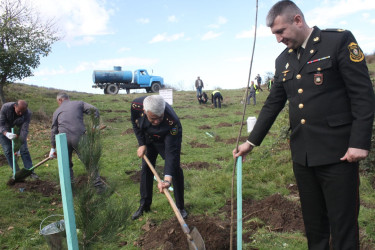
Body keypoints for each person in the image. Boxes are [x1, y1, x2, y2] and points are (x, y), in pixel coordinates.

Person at [233, 1, 374, 249]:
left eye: (280, 32)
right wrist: (250, 142)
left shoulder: (338, 42)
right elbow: (272, 104)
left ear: (297, 20)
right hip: (303, 158)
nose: (278, 39)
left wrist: (359, 143)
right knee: (314, 228)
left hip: (339, 155)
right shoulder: (282, 61)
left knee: (343, 228)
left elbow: (362, 94)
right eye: (274, 34)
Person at [130, 95, 187, 220]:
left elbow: (171, 153)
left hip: (166, 138)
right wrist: (142, 144)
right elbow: (135, 124)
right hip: (148, 138)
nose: (156, 121)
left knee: (175, 168)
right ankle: (144, 205)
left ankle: (180, 207)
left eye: (160, 118)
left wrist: (166, 180)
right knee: (146, 168)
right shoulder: (136, 106)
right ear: (145, 112)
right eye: (153, 118)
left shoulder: (173, 121)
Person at [50, 92, 104, 189]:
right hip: (79, 137)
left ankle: (70, 187)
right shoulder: (78, 103)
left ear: (60, 100)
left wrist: (53, 148)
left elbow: (54, 130)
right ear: (67, 98)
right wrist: (95, 125)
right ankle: (97, 186)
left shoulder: (56, 111)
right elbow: (94, 110)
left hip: (63, 140)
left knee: (66, 164)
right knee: (89, 161)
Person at [0, 100, 38, 179]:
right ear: (15, 106)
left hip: (18, 130)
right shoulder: (6, 107)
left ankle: (30, 171)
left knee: (24, 150)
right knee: (8, 151)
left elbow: (24, 129)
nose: (20, 113)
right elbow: (1, 124)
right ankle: (17, 173)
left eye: (22, 112)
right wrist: (6, 133)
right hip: (4, 131)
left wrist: (20, 143)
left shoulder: (27, 113)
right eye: (19, 111)